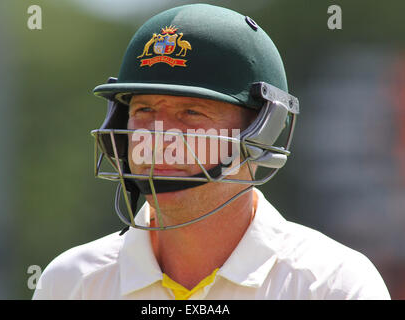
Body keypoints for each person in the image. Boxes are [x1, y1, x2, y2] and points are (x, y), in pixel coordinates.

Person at [33, 4, 390, 300]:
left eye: (191, 113)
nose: (160, 138)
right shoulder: (70, 283)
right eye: (144, 111)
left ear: (260, 131)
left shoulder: (332, 285)